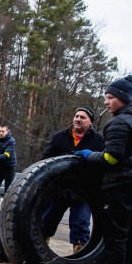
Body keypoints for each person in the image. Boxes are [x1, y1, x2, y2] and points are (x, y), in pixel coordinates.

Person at [76, 75, 132, 264]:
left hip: (123, 186)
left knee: (115, 236)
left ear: (124, 98)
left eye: (110, 97)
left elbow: (112, 158)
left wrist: (89, 155)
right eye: (106, 97)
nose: (106, 102)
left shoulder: (119, 123)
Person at [40, 106, 104, 251]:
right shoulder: (59, 137)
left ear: (90, 122)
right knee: (45, 222)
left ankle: (79, 254)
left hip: (83, 192)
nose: (78, 119)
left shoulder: (99, 140)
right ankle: (40, 252)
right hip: (58, 190)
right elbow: (44, 161)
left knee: (81, 226)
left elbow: (102, 165)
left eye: (83, 117)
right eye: (76, 116)